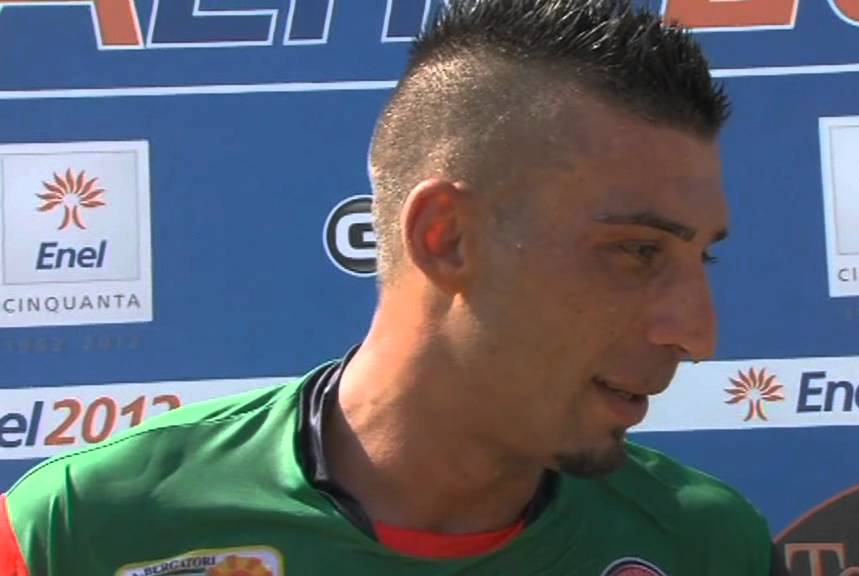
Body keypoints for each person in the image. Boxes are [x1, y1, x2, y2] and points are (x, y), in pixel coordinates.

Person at [1, 1, 783, 574]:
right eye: (637, 251)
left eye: (702, 258)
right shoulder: (83, 529)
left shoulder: (707, 547)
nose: (697, 333)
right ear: (446, 237)